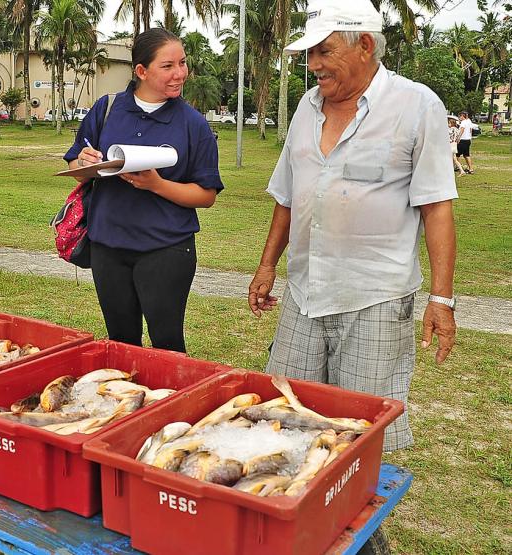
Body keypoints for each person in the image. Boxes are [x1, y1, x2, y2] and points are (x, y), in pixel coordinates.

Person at [247, 0, 458, 452]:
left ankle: (357, 516)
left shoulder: (417, 106)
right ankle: (301, 510)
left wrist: (442, 298)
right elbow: (287, 195)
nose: (313, 66)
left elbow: (437, 206)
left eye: (323, 52)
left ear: (365, 45)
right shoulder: (307, 106)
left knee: (361, 421)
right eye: (309, 54)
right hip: (304, 291)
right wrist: (267, 266)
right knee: (288, 411)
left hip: (375, 296)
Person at [63, 28, 223, 353]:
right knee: (120, 344)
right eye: (168, 66)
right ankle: (130, 403)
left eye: (182, 63)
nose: (180, 73)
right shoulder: (107, 108)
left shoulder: (193, 124)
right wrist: (84, 161)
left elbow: (206, 195)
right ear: (141, 71)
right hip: (108, 246)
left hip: (165, 249)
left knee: (167, 344)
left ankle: (170, 403)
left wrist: (157, 185)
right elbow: (76, 171)